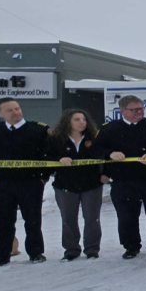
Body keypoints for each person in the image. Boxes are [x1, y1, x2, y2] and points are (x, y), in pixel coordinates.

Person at [0, 98, 51, 269]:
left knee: (33, 219)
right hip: (3, 183)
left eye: (17, 108)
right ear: (0, 113)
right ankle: (2, 255)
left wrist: (43, 177)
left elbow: (49, 155)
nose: (15, 112)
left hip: (30, 182)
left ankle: (36, 252)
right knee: (3, 220)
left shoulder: (38, 129)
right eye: (10, 110)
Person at [91, 95, 146, 258]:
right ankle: (131, 246)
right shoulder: (109, 129)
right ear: (123, 111)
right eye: (134, 110)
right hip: (123, 180)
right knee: (126, 217)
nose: (139, 112)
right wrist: (110, 153)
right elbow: (95, 150)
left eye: (141, 108)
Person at [48, 109, 106, 261]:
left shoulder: (94, 138)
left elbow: (104, 156)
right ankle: (71, 250)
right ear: (68, 122)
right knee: (68, 219)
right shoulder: (57, 139)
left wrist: (105, 174)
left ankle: (92, 249)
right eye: (77, 119)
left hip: (91, 185)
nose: (82, 122)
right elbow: (46, 156)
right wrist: (59, 158)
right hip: (65, 186)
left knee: (92, 219)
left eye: (84, 119)